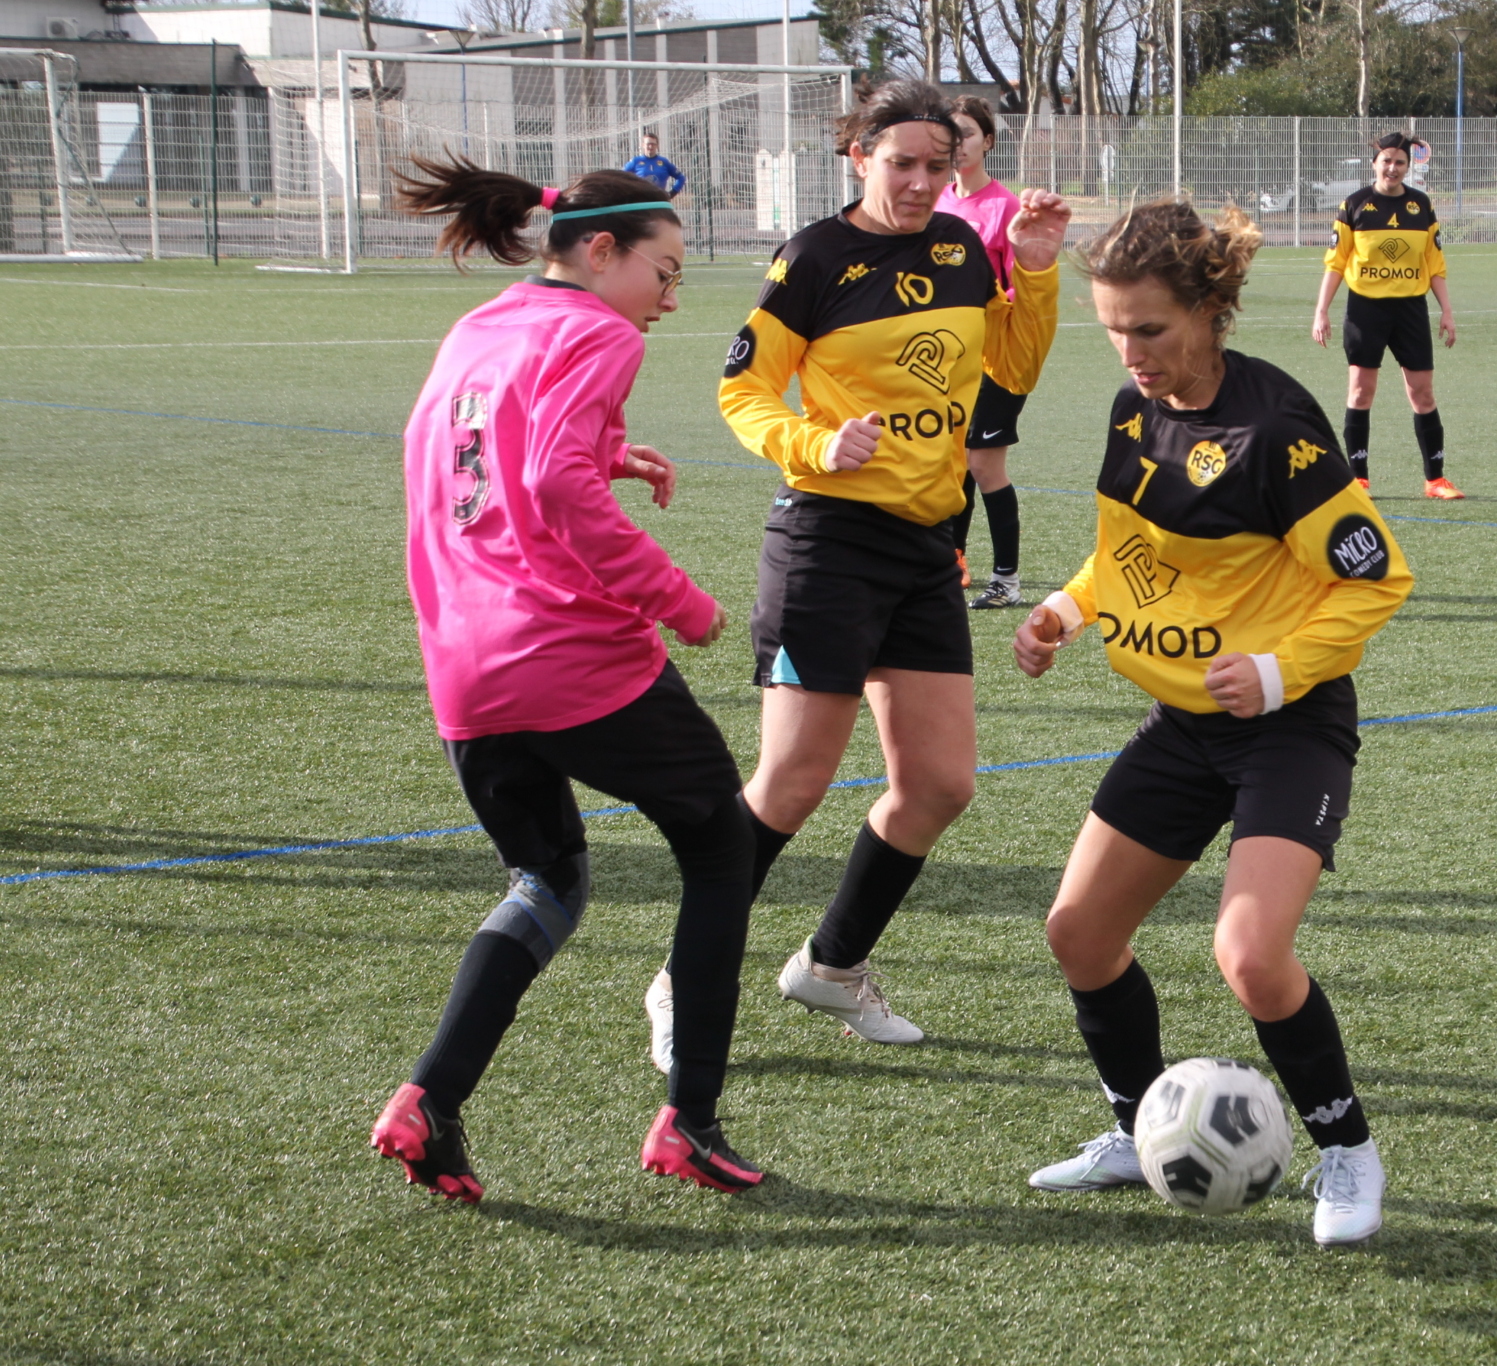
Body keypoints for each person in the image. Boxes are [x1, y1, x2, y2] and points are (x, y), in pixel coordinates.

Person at [1013, 201, 1415, 1247]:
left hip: (1287, 728)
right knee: (1079, 933)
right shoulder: (1128, 411)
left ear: (1207, 309)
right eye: (1113, 328)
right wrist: (1066, 607)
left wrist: (1281, 672)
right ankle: (1133, 1123)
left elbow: (1377, 581)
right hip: (1180, 723)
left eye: (1148, 328)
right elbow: (1127, 558)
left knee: (1246, 954)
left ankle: (1346, 1151)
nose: (1130, 351)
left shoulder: (1276, 430)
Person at [643, 78, 1066, 1064]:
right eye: (901, 164)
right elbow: (741, 388)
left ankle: (830, 966)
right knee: (791, 781)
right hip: (827, 540)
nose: (921, 182)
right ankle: (681, 973)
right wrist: (810, 443)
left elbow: (1007, 370)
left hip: (924, 549)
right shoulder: (816, 257)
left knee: (938, 785)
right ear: (858, 157)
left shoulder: (963, 248)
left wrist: (1036, 273)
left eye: (937, 164)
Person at [368, 158, 765, 1202]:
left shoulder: (485, 325)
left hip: (464, 663)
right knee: (722, 846)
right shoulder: (601, 329)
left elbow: (458, 461)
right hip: (569, 654)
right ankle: (691, 1118)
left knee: (548, 879)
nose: (669, 300)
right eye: (664, 273)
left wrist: (609, 446)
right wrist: (679, 599)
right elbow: (549, 481)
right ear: (601, 251)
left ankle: (430, 1099)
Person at [1311, 131, 1463, 500]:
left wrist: (1446, 311)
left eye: (1399, 162)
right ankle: (1358, 479)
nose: (1392, 168)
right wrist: (1321, 311)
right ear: (1374, 163)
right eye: (1386, 161)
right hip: (1366, 310)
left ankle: (1436, 480)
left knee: (1422, 393)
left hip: (1410, 310)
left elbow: (1434, 263)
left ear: (1408, 167)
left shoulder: (1421, 206)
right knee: (1361, 391)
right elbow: (1336, 263)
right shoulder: (1355, 205)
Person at [937, 95, 1030, 610]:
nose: (958, 144)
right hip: (950, 358)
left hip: (998, 356)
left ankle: (1008, 580)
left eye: (968, 133)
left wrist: (989, 303)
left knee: (983, 464)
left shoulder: (1005, 207)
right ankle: (952, 562)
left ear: (988, 141)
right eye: (951, 134)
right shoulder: (939, 203)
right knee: (955, 460)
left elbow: (1023, 288)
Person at [624, 132, 685, 197]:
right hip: (641, 200)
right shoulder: (635, 161)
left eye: (653, 144)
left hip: (659, 199)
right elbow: (622, 177)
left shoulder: (664, 162)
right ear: (643, 145)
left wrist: (672, 193)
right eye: (648, 144)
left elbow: (681, 178)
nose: (650, 146)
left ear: (657, 146)